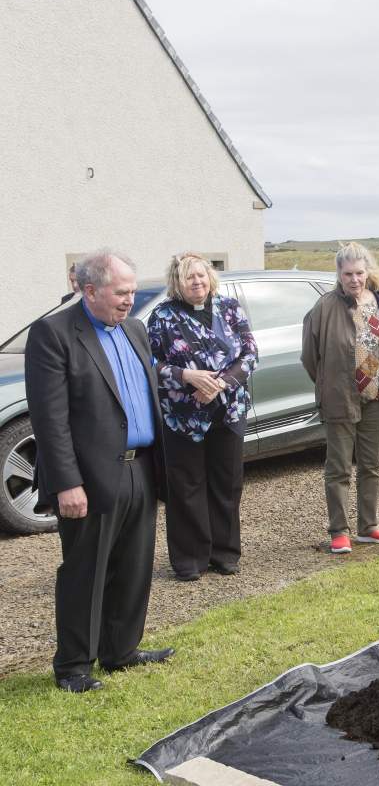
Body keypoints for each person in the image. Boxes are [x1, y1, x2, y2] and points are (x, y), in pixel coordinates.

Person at [25, 250, 174, 693]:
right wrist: (67, 483)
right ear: (89, 290)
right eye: (121, 292)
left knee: (134, 565)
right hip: (88, 479)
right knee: (85, 572)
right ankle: (73, 667)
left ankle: (120, 651)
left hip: (141, 468)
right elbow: (50, 420)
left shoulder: (135, 329)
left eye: (132, 291)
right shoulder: (53, 334)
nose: (130, 300)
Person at [147, 254, 258, 581]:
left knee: (227, 484)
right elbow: (150, 363)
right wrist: (187, 376)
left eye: (201, 275)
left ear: (210, 277)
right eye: (188, 277)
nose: (196, 281)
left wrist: (220, 384)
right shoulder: (162, 316)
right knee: (187, 487)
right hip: (183, 416)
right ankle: (190, 560)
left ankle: (224, 554)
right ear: (177, 283)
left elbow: (250, 353)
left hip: (228, 410)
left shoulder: (230, 308)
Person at [301, 242, 379, 554]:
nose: (354, 279)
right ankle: (339, 531)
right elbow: (309, 357)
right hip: (340, 397)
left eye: (359, 273)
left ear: (367, 271)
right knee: (339, 468)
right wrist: (329, 384)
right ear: (339, 274)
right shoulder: (325, 307)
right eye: (348, 274)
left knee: (371, 464)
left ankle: (368, 527)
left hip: (376, 396)